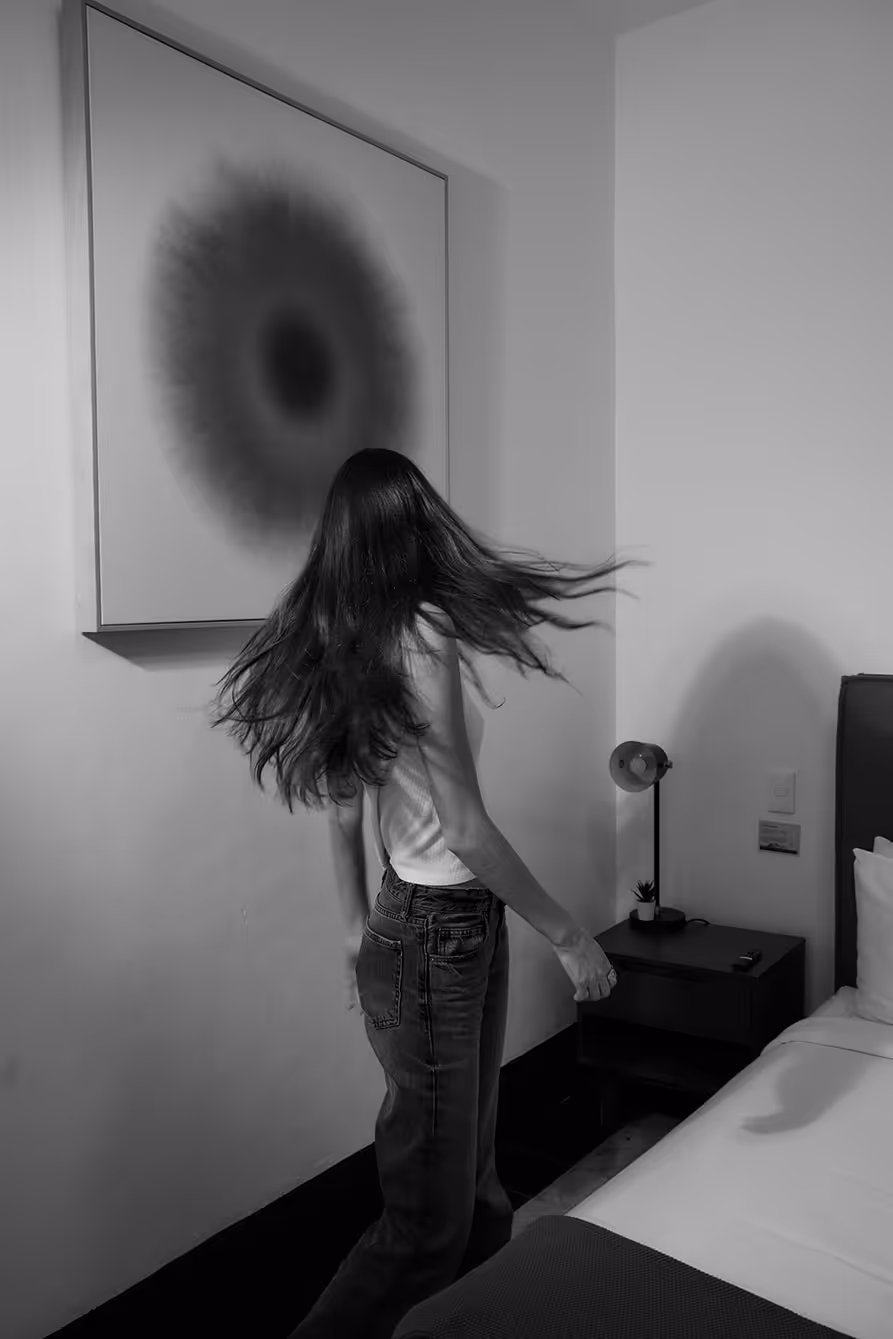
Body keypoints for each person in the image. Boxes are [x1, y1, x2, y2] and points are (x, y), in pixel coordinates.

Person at [210, 448, 647, 1339]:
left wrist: (352, 935)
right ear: (407, 529)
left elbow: (342, 817)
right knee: (426, 1225)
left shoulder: (349, 634)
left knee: (480, 1198)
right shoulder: (415, 633)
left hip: (420, 928)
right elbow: (466, 827)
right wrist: (568, 934)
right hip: (436, 934)